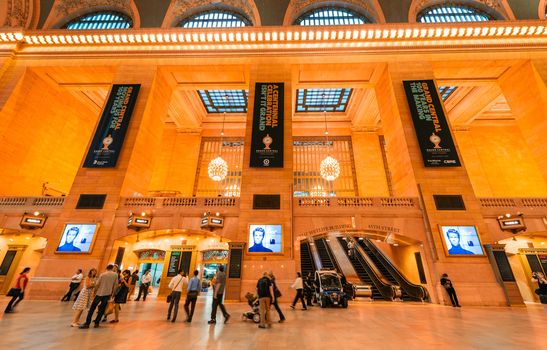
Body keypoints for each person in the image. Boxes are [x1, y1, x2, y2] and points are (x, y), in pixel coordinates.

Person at [79, 264, 118, 329]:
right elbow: (115, 285)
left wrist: (94, 293)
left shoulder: (102, 274)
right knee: (102, 309)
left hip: (99, 294)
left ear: (107, 268)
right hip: (107, 294)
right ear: (112, 268)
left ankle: (87, 323)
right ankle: (97, 323)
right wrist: (113, 294)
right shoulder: (115, 275)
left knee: (92, 308)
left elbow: (97, 285)